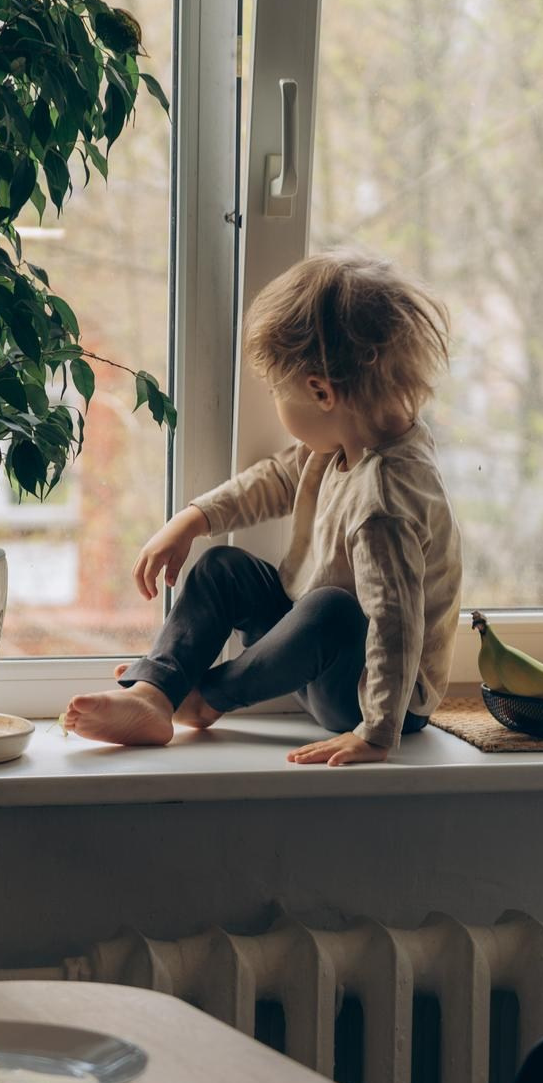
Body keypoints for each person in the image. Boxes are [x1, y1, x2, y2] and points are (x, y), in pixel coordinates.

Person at [63, 249, 462, 766]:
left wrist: (376, 733)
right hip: (317, 656)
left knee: (331, 610)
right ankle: (154, 695)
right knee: (222, 568)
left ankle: (202, 700)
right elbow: (276, 478)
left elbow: (396, 624)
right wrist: (195, 518)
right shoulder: (353, 438)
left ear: (321, 392)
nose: (275, 399)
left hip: (376, 697)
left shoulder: (384, 503)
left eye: (277, 389)